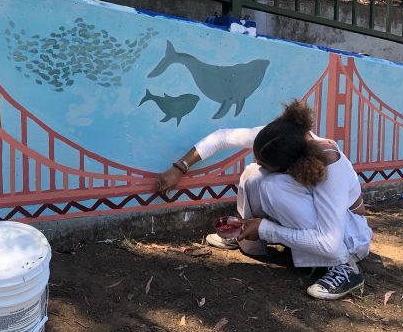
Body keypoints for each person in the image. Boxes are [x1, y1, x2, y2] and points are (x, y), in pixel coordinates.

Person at [155, 101, 372, 300]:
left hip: (347, 236)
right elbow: (222, 137)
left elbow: (330, 243)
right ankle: (247, 235)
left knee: (272, 185)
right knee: (253, 173)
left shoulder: (329, 164)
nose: (261, 164)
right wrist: (180, 167)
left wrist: (266, 229)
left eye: (268, 164)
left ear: (294, 165)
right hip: (319, 224)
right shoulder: (281, 138)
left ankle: (345, 268)